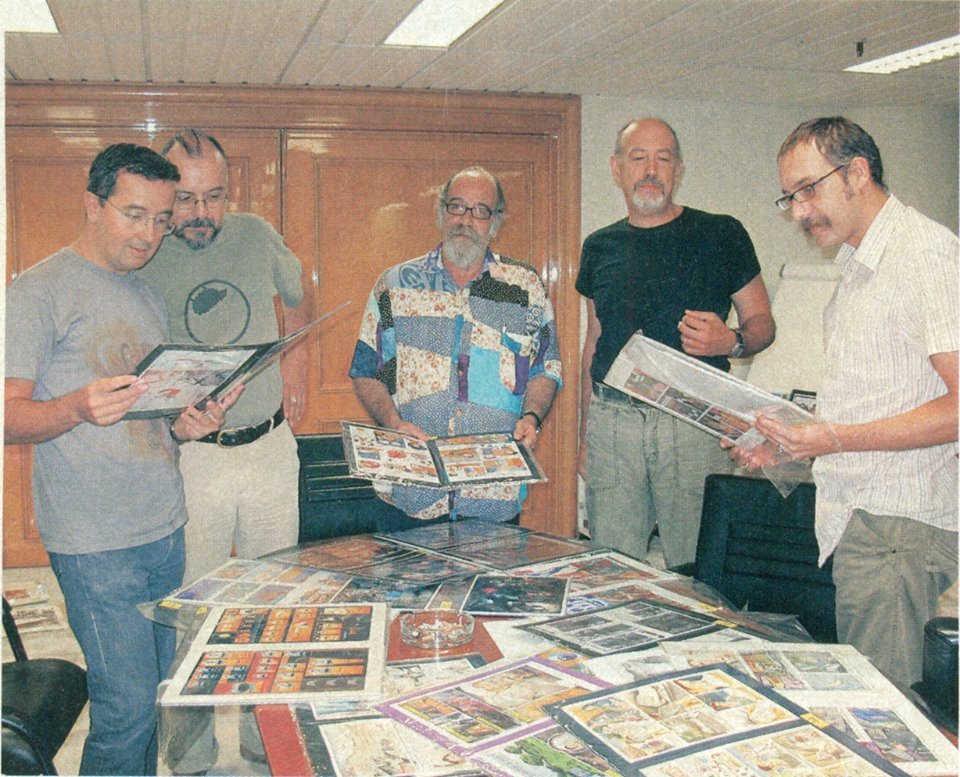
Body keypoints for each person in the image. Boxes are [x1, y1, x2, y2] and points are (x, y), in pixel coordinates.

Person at [4, 143, 238, 776]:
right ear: (92, 205)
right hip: (94, 542)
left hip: (164, 526)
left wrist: (185, 426)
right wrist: (75, 407)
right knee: (125, 708)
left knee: (157, 695)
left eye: (161, 220)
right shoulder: (37, 291)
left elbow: (149, 419)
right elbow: (7, 415)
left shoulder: (147, 296)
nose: (149, 235)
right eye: (134, 215)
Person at [732, 117, 957, 693]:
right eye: (790, 197)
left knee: (888, 708)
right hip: (864, 522)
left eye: (809, 190)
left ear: (857, 173)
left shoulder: (924, 255)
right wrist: (792, 445)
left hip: (897, 531)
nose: (799, 212)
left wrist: (834, 439)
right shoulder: (857, 266)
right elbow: (876, 401)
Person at [577, 118, 775, 569]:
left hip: (694, 420)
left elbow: (762, 323)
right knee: (611, 566)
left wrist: (732, 341)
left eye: (663, 159)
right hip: (614, 423)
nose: (651, 170)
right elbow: (594, 342)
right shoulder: (599, 246)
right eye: (638, 158)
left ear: (678, 169)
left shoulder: (722, 234)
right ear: (616, 168)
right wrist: (585, 437)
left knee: (696, 566)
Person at [137, 128, 309, 586]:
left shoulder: (256, 235)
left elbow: (298, 297)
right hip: (193, 458)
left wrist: (295, 370)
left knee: (275, 590)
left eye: (214, 197)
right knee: (196, 592)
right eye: (186, 199)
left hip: (269, 447)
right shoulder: (145, 253)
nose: (201, 213)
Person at [350, 166, 562, 527]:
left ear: (495, 222)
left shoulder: (526, 288)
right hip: (411, 494)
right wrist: (393, 422)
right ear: (441, 211)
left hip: (494, 498)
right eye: (457, 206)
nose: (466, 220)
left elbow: (546, 368)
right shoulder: (395, 285)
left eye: (480, 210)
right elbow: (366, 370)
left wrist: (532, 418)